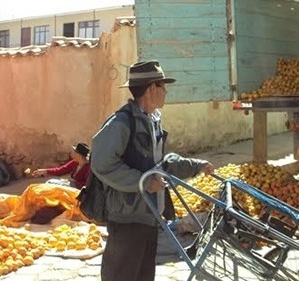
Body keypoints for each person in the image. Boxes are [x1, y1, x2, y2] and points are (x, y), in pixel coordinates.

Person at [90, 60, 214, 281]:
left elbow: (161, 164)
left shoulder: (152, 120)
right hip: (128, 217)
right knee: (122, 275)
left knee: (144, 275)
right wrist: (144, 181)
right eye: (162, 86)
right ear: (151, 89)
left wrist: (196, 166)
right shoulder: (121, 123)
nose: (166, 91)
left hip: (149, 215)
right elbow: (101, 164)